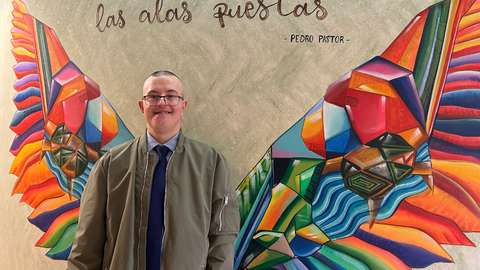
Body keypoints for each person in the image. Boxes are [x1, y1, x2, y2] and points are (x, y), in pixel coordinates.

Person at [67, 71, 240, 270]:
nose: (162, 102)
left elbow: (222, 239)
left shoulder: (212, 163)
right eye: (153, 96)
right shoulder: (110, 165)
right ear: (142, 106)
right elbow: (86, 246)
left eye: (171, 96)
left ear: (183, 106)